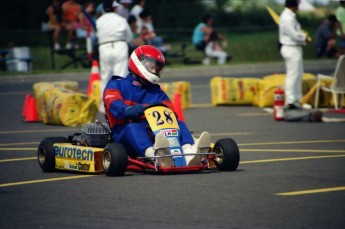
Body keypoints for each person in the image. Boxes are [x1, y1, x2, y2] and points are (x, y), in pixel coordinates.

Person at [103, 45, 211, 167]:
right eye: (152, 66)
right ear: (138, 62)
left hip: (154, 133)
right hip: (124, 136)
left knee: (179, 124)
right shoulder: (117, 84)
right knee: (132, 128)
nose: (155, 70)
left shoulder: (156, 91)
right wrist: (130, 110)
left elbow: (170, 111)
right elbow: (113, 104)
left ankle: (189, 153)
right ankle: (155, 156)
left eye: (157, 67)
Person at [96, 0, 132, 113]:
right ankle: (122, 103)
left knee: (105, 77)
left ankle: (104, 105)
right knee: (121, 76)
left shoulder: (99, 21)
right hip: (120, 45)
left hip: (104, 47)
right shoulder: (121, 19)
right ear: (115, 8)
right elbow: (129, 36)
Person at [279, 0, 309, 109]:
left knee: (298, 74)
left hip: (294, 47)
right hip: (291, 47)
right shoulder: (287, 17)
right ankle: (291, 100)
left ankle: (296, 99)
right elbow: (294, 35)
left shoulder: (289, 16)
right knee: (293, 75)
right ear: (294, 5)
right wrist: (305, 37)